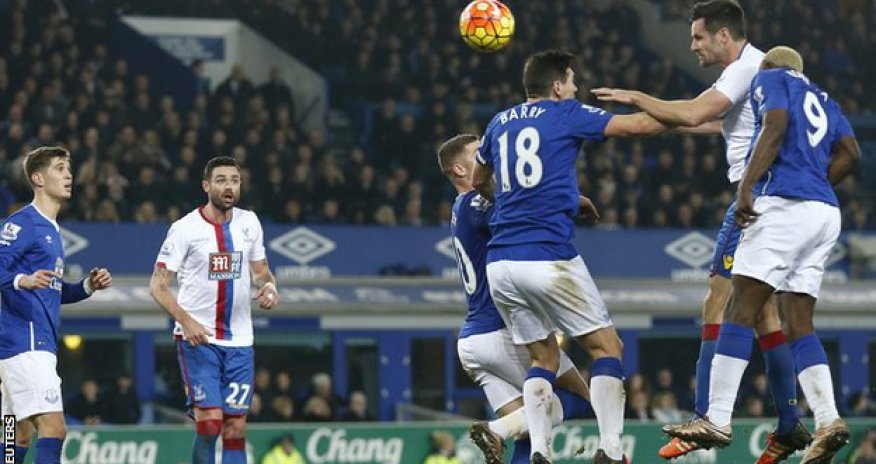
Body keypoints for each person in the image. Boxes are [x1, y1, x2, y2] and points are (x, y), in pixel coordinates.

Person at [593, 2, 804, 460]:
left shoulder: (744, 69)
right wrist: (660, 123)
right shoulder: (757, 68)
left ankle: (707, 417)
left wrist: (637, 98)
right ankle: (789, 423)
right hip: (772, 198)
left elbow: (693, 113)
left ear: (724, 35)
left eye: (698, 38)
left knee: (717, 297)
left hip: (756, 201)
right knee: (764, 315)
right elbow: (714, 122)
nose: (692, 46)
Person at [664, 46, 861, 464]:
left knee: (740, 306)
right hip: (824, 213)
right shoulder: (825, 98)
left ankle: (716, 417)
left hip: (781, 206)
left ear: (769, 68)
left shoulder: (770, 78)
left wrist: (747, 186)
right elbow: (852, 153)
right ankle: (829, 419)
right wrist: (817, 186)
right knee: (798, 321)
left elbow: (774, 124)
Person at [473, 50, 667, 464]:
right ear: (557, 86)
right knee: (607, 348)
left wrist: (525, 203)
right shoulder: (565, 113)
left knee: (543, 357)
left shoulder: (495, 123)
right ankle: (612, 451)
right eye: (573, 82)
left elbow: (477, 180)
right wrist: (673, 109)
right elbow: (639, 127)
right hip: (547, 255)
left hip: (501, 264)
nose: (576, 88)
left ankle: (541, 452)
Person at [437, 134, 594, 464]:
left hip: (474, 342)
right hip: (501, 331)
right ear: (459, 169)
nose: (488, 156)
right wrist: (570, 199)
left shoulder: (460, 209)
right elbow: (521, 207)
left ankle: (501, 430)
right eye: (479, 153)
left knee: (528, 428)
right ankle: (495, 430)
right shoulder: (473, 203)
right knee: (582, 397)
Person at [149, 156, 280, 464]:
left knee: (235, 426)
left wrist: (270, 287)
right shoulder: (184, 229)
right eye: (221, 180)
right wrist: (186, 321)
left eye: (234, 180)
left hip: (240, 342)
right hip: (199, 340)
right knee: (209, 424)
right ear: (206, 186)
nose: (229, 186)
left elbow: (261, 271)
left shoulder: (250, 223)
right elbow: (157, 286)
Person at [0, 145, 113, 464]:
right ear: (38, 178)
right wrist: (22, 280)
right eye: (60, 168)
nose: (69, 174)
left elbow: (50, 290)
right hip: (27, 343)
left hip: (17, 348)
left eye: (69, 168)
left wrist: (88, 286)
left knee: (15, 434)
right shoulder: (24, 223)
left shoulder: (51, 230)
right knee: (54, 429)